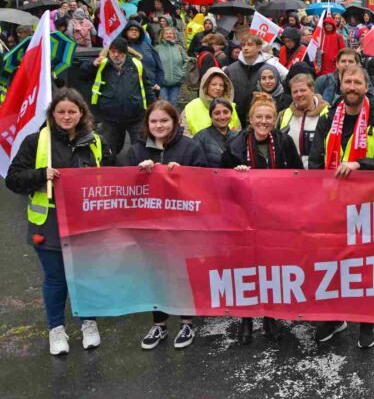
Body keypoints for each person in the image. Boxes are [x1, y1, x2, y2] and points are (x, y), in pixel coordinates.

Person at [6, 88, 115, 355]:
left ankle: (88, 323)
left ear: (81, 113)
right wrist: (40, 175)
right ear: (52, 114)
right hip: (49, 221)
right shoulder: (36, 141)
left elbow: (114, 176)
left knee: (85, 275)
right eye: (61, 112)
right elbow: (13, 179)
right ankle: (56, 329)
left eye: (72, 112)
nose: (67, 117)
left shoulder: (96, 142)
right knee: (56, 278)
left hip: (86, 220)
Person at [308, 65, 374, 349]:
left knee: (364, 266)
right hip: (332, 204)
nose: (352, 87)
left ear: (366, 86)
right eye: (347, 81)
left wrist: (360, 164)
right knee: (331, 263)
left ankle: (366, 321)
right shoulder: (327, 117)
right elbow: (316, 160)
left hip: (367, 206)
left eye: (357, 82)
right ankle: (334, 317)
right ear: (340, 84)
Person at [118, 100, 208, 350]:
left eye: (164, 120)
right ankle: (159, 324)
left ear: (175, 121)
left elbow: (205, 182)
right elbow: (124, 186)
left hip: (183, 223)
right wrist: (138, 174)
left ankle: (187, 322)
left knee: (183, 273)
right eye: (154, 121)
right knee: (155, 273)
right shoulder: (136, 151)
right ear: (147, 124)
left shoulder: (190, 147)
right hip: (150, 224)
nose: (159, 125)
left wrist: (184, 173)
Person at [222, 92, 303, 344]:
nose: (264, 121)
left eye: (268, 117)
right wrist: (236, 175)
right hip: (245, 218)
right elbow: (221, 182)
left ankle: (270, 317)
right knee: (246, 269)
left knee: (272, 268)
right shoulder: (235, 145)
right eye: (259, 117)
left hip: (275, 217)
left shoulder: (284, 141)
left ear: (275, 119)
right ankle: (246, 319)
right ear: (250, 118)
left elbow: (299, 174)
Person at [83, 37, 156, 152]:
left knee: (140, 148)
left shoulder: (136, 65)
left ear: (125, 53)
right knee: (108, 150)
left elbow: (147, 88)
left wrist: (154, 108)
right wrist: (92, 65)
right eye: (113, 52)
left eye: (120, 52)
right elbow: (82, 75)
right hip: (109, 118)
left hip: (135, 116)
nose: (116, 55)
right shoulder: (103, 64)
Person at [223, 33, 289, 125]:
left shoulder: (269, 68)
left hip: (262, 119)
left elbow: (287, 78)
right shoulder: (230, 70)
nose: (245, 48)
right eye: (243, 45)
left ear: (259, 47)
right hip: (235, 119)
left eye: (250, 45)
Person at [278, 73, 329, 166]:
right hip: (291, 171)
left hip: (319, 170)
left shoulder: (328, 113)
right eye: (295, 92)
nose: (299, 94)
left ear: (312, 90)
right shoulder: (283, 115)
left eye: (303, 90)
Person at [180, 67, 241, 136]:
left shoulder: (231, 106)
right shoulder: (191, 107)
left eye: (221, 85)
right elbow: (184, 134)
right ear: (206, 86)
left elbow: (238, 132)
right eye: (214, 84)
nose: (218, 88)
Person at [193, 98, 239, 167]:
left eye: (226, 112)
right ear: (211, 116)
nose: (222, 117)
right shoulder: (200, 138)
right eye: (217, 113)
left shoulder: (238, 137)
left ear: (231, 114)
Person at [124, 21, 164, 97]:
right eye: (131, 29)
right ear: (126, 32)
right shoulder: (121, 47)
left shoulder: (148, 46)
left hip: (151, 89)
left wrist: (159, 84)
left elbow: (159, 68)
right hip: (130, 91)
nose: (134, 31)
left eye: (136, 30)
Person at [155, 26, 187, 104]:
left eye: (170, 33)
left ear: (174, 35)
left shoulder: (179, 48)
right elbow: (154, 64)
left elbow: (185, 61)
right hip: (162, 82)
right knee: (164, 103)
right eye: (166, 33)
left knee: (173, 102)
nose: (168, 35)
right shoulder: (157, 48)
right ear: (162, 35)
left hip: (176, 81)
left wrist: (182, 74)